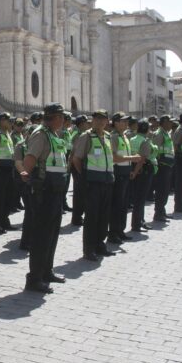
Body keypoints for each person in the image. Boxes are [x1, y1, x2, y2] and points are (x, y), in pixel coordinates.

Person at [20, 103, 69, 293]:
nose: (64, 120)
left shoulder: (54, 135)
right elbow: (30, 160)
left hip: (55, 190)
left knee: (52, 233)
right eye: (61, 116)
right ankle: (34, 278)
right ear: (54, 117)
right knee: (41, 236)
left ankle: (47, 271)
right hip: (43, 192)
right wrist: (28, 181)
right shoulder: (40, 135)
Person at [72, 109, 116, 262]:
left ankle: (100, 245)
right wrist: (83, 176)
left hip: (107, 181)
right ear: (93, 120)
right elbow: (77, 159)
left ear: (107, 121)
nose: (100, 122)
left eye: (103, 119)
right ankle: (89, 249)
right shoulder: (87, 136)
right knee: (92, 217)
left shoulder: (109, 136)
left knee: (104, 216)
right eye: (97, 119)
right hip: (92, 183)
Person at [108, 112, 141, 244]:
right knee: (117, 205)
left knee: (123, 205)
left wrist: (132, 169)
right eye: (123, 121)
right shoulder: (114, 137)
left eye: (127, 121)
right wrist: (132, 158)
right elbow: (114, 157)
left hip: (125, 172)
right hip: (118, 173)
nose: (126, 123)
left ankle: (120, 231)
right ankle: (113, 233)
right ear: (115, 122)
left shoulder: (124, 136)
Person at [129, 120, 157, 233]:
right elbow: (142, 159)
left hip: (133, 168)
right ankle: (137, 223)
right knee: (140, 199)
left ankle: (139, 221)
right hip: (143, 170)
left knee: (137, 198)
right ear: (146, 129)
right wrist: (136, 172)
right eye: (149, 128)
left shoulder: (132, 139)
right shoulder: (145, 141)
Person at [151, 115, 175, 222]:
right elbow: (154, 149)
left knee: (165, 190)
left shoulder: (166, 133)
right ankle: (158, 213)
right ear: (164, 122)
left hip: (168, 165)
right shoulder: (159, 133)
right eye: (170, 122)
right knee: (161, 190)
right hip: (162, 166)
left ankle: (162, 211)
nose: (171, 124)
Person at [70, 115, 90, 226]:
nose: (88, 124)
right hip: (78, 165)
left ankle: (78, 216)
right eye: (86, 122)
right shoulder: (79, 135)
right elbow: (75, 154)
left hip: (79, 164)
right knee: (79, 193)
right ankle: (77, 217)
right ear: (82, 124)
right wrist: (80, 171)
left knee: (81, 193)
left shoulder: (80, 134)